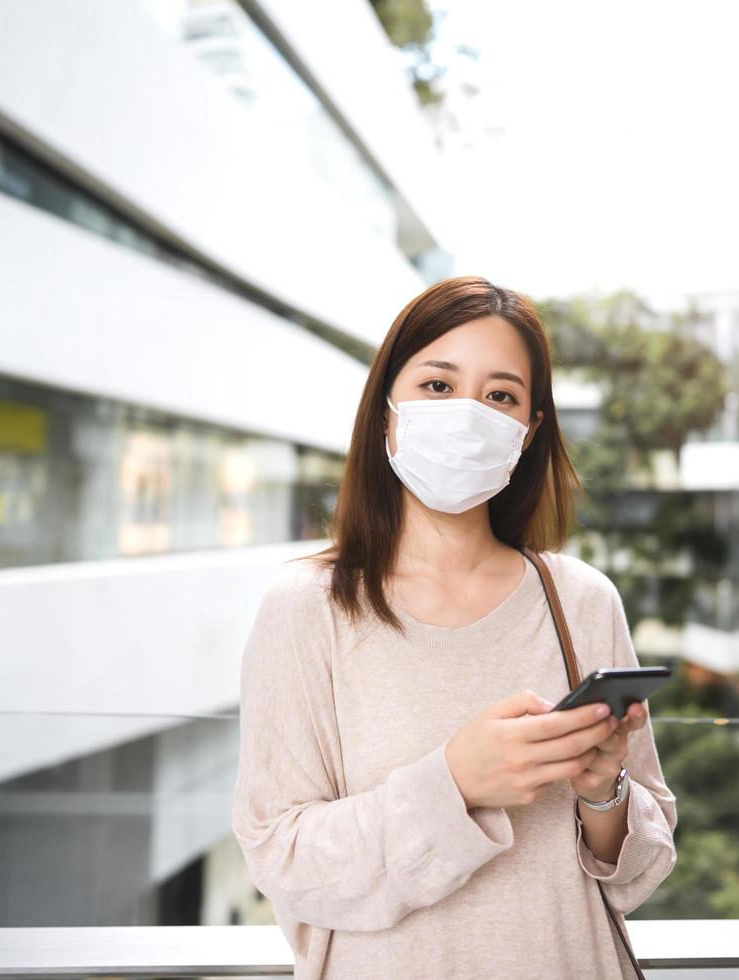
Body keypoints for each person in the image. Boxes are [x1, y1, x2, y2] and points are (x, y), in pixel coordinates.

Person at [229, 275, 678, 978]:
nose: (468, 413)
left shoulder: (583, 601)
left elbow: (638, 874)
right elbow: (281, 858)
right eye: (438, 386)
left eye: (500, 396)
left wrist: (604, 793)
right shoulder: (306, 609)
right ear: (386, 411)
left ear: (528, 432)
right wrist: (456, 784)